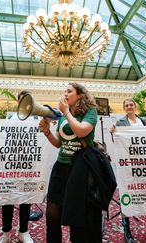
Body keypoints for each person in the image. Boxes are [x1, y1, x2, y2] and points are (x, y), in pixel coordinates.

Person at [38, 82, 100, 242]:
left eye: (69, 91)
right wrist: (47, 133)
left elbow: (81, 131)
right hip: (61, 166)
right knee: (52, 212)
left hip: (80, 169)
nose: (65, 93)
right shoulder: (62, 116)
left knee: (77, 214)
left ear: (80, 95)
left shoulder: (90, 112)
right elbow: (59, 143)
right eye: (64, 91)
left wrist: (66, 112)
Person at [110, 98, 146, 243]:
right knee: (127, 196)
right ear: (124, 108)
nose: (129, 107)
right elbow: (117, 140)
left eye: (131, 104)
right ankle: (127, 233)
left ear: (135, 106)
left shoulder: (144, 121)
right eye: (126, 105)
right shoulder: (120, 122)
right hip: (128, 165)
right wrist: (113, 133)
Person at [0, 90, 34, 243]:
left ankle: (24, 231)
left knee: (26, 198)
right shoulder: (9, 119)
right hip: (10, 165)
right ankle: (6, 232)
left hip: (29, 165)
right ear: (18, 102)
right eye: (22, 100)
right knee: (7, 198)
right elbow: (0, 138)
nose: (25, 103)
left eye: (28, 101)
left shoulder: (36, 119)